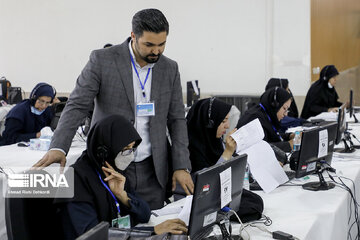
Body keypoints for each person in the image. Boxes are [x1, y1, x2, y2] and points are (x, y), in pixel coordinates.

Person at [34, 8, 193, 210]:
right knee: (114, 225)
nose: (156, 51)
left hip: (152, 170)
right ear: (133, 36)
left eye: (162, 44)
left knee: (153, 224)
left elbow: (177, 119)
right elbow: (77, 105)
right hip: (109, 165)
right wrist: (58, 146)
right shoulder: (103, 60)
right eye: (149, 45)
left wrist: (181, 165)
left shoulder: (170, 68)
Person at [55, 115, 187, 239]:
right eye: (125, 149)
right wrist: (152, 232)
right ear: (104, 151)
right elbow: (92, 235)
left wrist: (123, 196)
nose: (130, 155)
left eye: (132, 149)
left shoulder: (114, 171)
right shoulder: (74, 180)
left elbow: (145, 214)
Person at [186, 97, 236, 172]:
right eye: (223, 121)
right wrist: (227, 153)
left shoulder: (217, 142)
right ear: (209, 124)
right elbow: (207, 180)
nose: (227, 126)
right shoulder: (188, 151)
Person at [236, 87, 293, 152]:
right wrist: (288, 145)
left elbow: (271, 136)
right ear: (275, 105)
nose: (286, 114)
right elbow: (261, 149)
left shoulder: (265, 115)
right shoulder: (254, 118)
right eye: (284, 108)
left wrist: (289, 136)